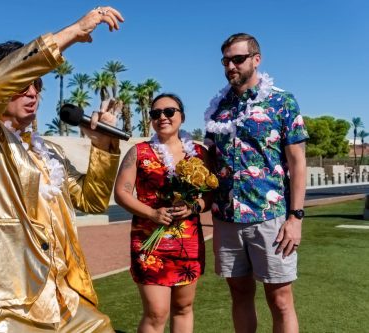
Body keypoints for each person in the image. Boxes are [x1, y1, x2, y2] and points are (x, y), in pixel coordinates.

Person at [0, 7, 124, 332]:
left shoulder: (48, 152)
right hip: (1, 306)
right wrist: (73, 32)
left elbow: (92, 200)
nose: (33, 92)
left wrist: (101, 145)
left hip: (65, 298)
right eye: (23, 82)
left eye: (38, 84)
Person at [204, 33, 309, 332]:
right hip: (226, 218)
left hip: (270, 217)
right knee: (239, 294)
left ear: (256, 59)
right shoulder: (218, 107)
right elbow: (209, 159)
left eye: (238, 59)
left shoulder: (282, 101)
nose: (231, 66)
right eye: (226, 61)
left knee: (280, 300)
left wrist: (296, 216)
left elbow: (297, 162)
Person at [114, 93, 213, 332]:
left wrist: (194, 207)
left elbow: (210, 194)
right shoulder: (139, 152)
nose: (162, 117)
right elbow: (122, 193)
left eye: (169, 111)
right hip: (149, 242)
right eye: (155, 113)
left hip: (187, 241)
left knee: (184, 307)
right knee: (157, 313)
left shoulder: (199, 154)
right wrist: (152, 214)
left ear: (182, 116)